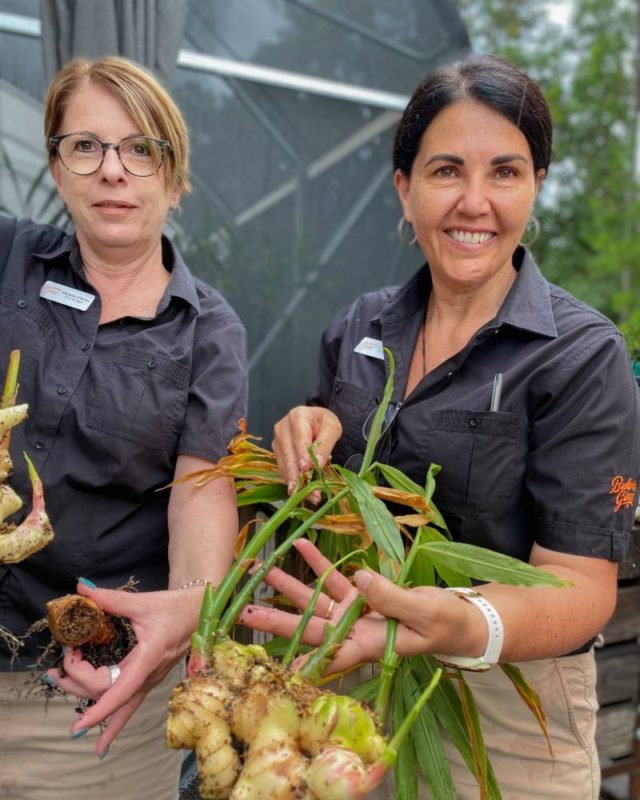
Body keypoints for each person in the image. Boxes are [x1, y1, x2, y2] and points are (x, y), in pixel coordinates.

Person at [239, 54, 640, 799]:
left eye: (506, 172)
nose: (475, 202)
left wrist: (461, 622)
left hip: (504, 716)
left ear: (537, 186)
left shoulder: (582, 357)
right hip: (348, 685)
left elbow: (583, 587)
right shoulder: (360, 326)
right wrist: (311, 424)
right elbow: (331, 474)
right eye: (447, 170)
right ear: (405, 187)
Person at [0, 56, 246, 800]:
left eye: (142, 149)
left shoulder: (208, 332)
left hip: (82, 688)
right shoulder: (8, 258)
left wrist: (194, 604)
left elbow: (202, 492)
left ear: (176, 180)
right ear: (57, 164)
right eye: (87, 146)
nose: (113, 170)